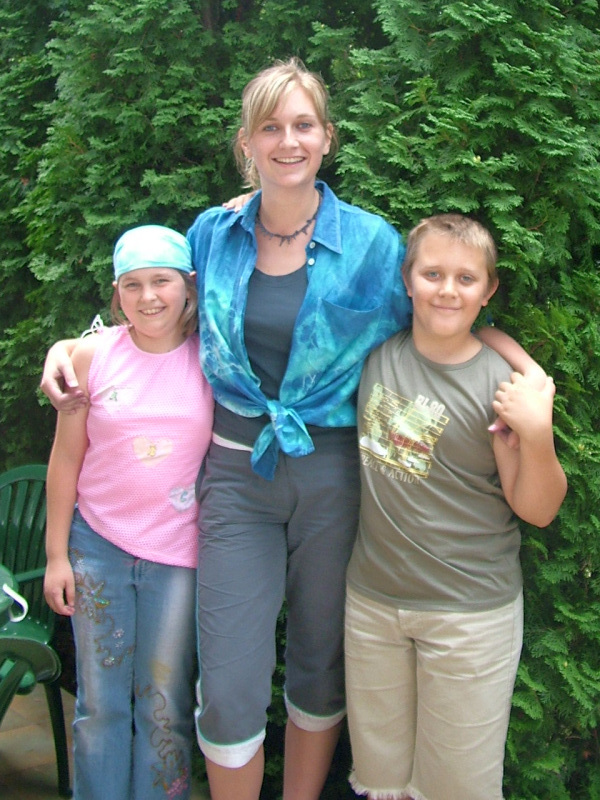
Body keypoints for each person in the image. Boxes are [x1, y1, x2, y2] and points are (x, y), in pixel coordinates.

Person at [41, 59, 546, 800]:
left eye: (303, 125)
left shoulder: (373, 244)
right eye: (270, 127)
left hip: (334, 474)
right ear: (247, 142)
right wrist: (71, 346)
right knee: (229, 682)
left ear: (327, 137)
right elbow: (155, 317)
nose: (288, 141)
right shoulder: (212, 234)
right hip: (236, 475)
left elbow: (448, 319)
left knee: (318, 664)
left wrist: (526, 368)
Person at [344, 213, 567, 800]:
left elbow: (538, 509)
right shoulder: (376, 354)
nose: (447, 290)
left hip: (468, 617)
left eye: (466, 279)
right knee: (380, 781)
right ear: (407, 280)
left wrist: (537, 430)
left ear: (488, 290)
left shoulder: (502, 388)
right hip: (372, 607)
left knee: (455, 789)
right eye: (432, 274)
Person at [43, 225, 214, 800]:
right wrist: (56, 556)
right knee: (100, 704)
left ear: (188, 285)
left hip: (177, 555)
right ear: (117, 293)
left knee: (164, 703)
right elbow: (66, 459)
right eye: (133, 284)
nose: (149, 297)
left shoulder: (211, 360)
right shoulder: (91, 357)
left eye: (161, 281)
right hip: (98, 547)